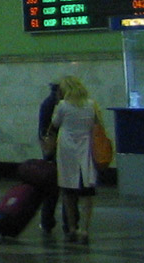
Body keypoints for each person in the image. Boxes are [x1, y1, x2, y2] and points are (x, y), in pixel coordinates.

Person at [47, 75, 103, 245]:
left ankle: (72, 228)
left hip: (67, 150)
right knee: (87, 192)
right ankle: (85, 229)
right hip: (86, 148)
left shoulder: (63, 106)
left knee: (68, 191)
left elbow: (54, 125)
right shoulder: (91, 104)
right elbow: (98, 124)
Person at [36, 81, 62, 234]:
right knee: (54, 187)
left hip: (50, 147)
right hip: (54, 148)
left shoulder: (47, 103)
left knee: (51, 187)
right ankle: (47, 220)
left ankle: (47, 221)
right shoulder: (55, 105)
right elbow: (50, 128)